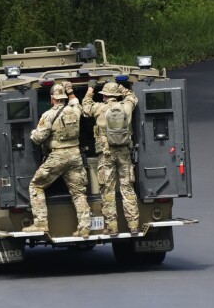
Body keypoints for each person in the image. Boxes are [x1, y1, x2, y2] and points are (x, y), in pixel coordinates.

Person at [23, 82, 91, 237]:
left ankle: (40, 224)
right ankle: (84, 228)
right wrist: (70, 90)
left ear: (52, 98)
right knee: (79, 192)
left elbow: (38, 138)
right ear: (64, 98)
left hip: (58, 156)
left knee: (36, 185)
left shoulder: (48, 115)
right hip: (75, 155)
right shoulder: (76, 111)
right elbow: (75, 102)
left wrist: (33, 132)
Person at [82, 81, 140, 235]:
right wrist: (121, 87)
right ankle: (133, 225)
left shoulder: (100, 108)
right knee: (127, 189)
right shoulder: (126, 107)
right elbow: (132, 96)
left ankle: (112, 227)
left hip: (106, 155)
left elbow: (85, 107)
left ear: (105, 96)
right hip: (124, 154)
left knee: (108, 191)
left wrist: (90, 89)